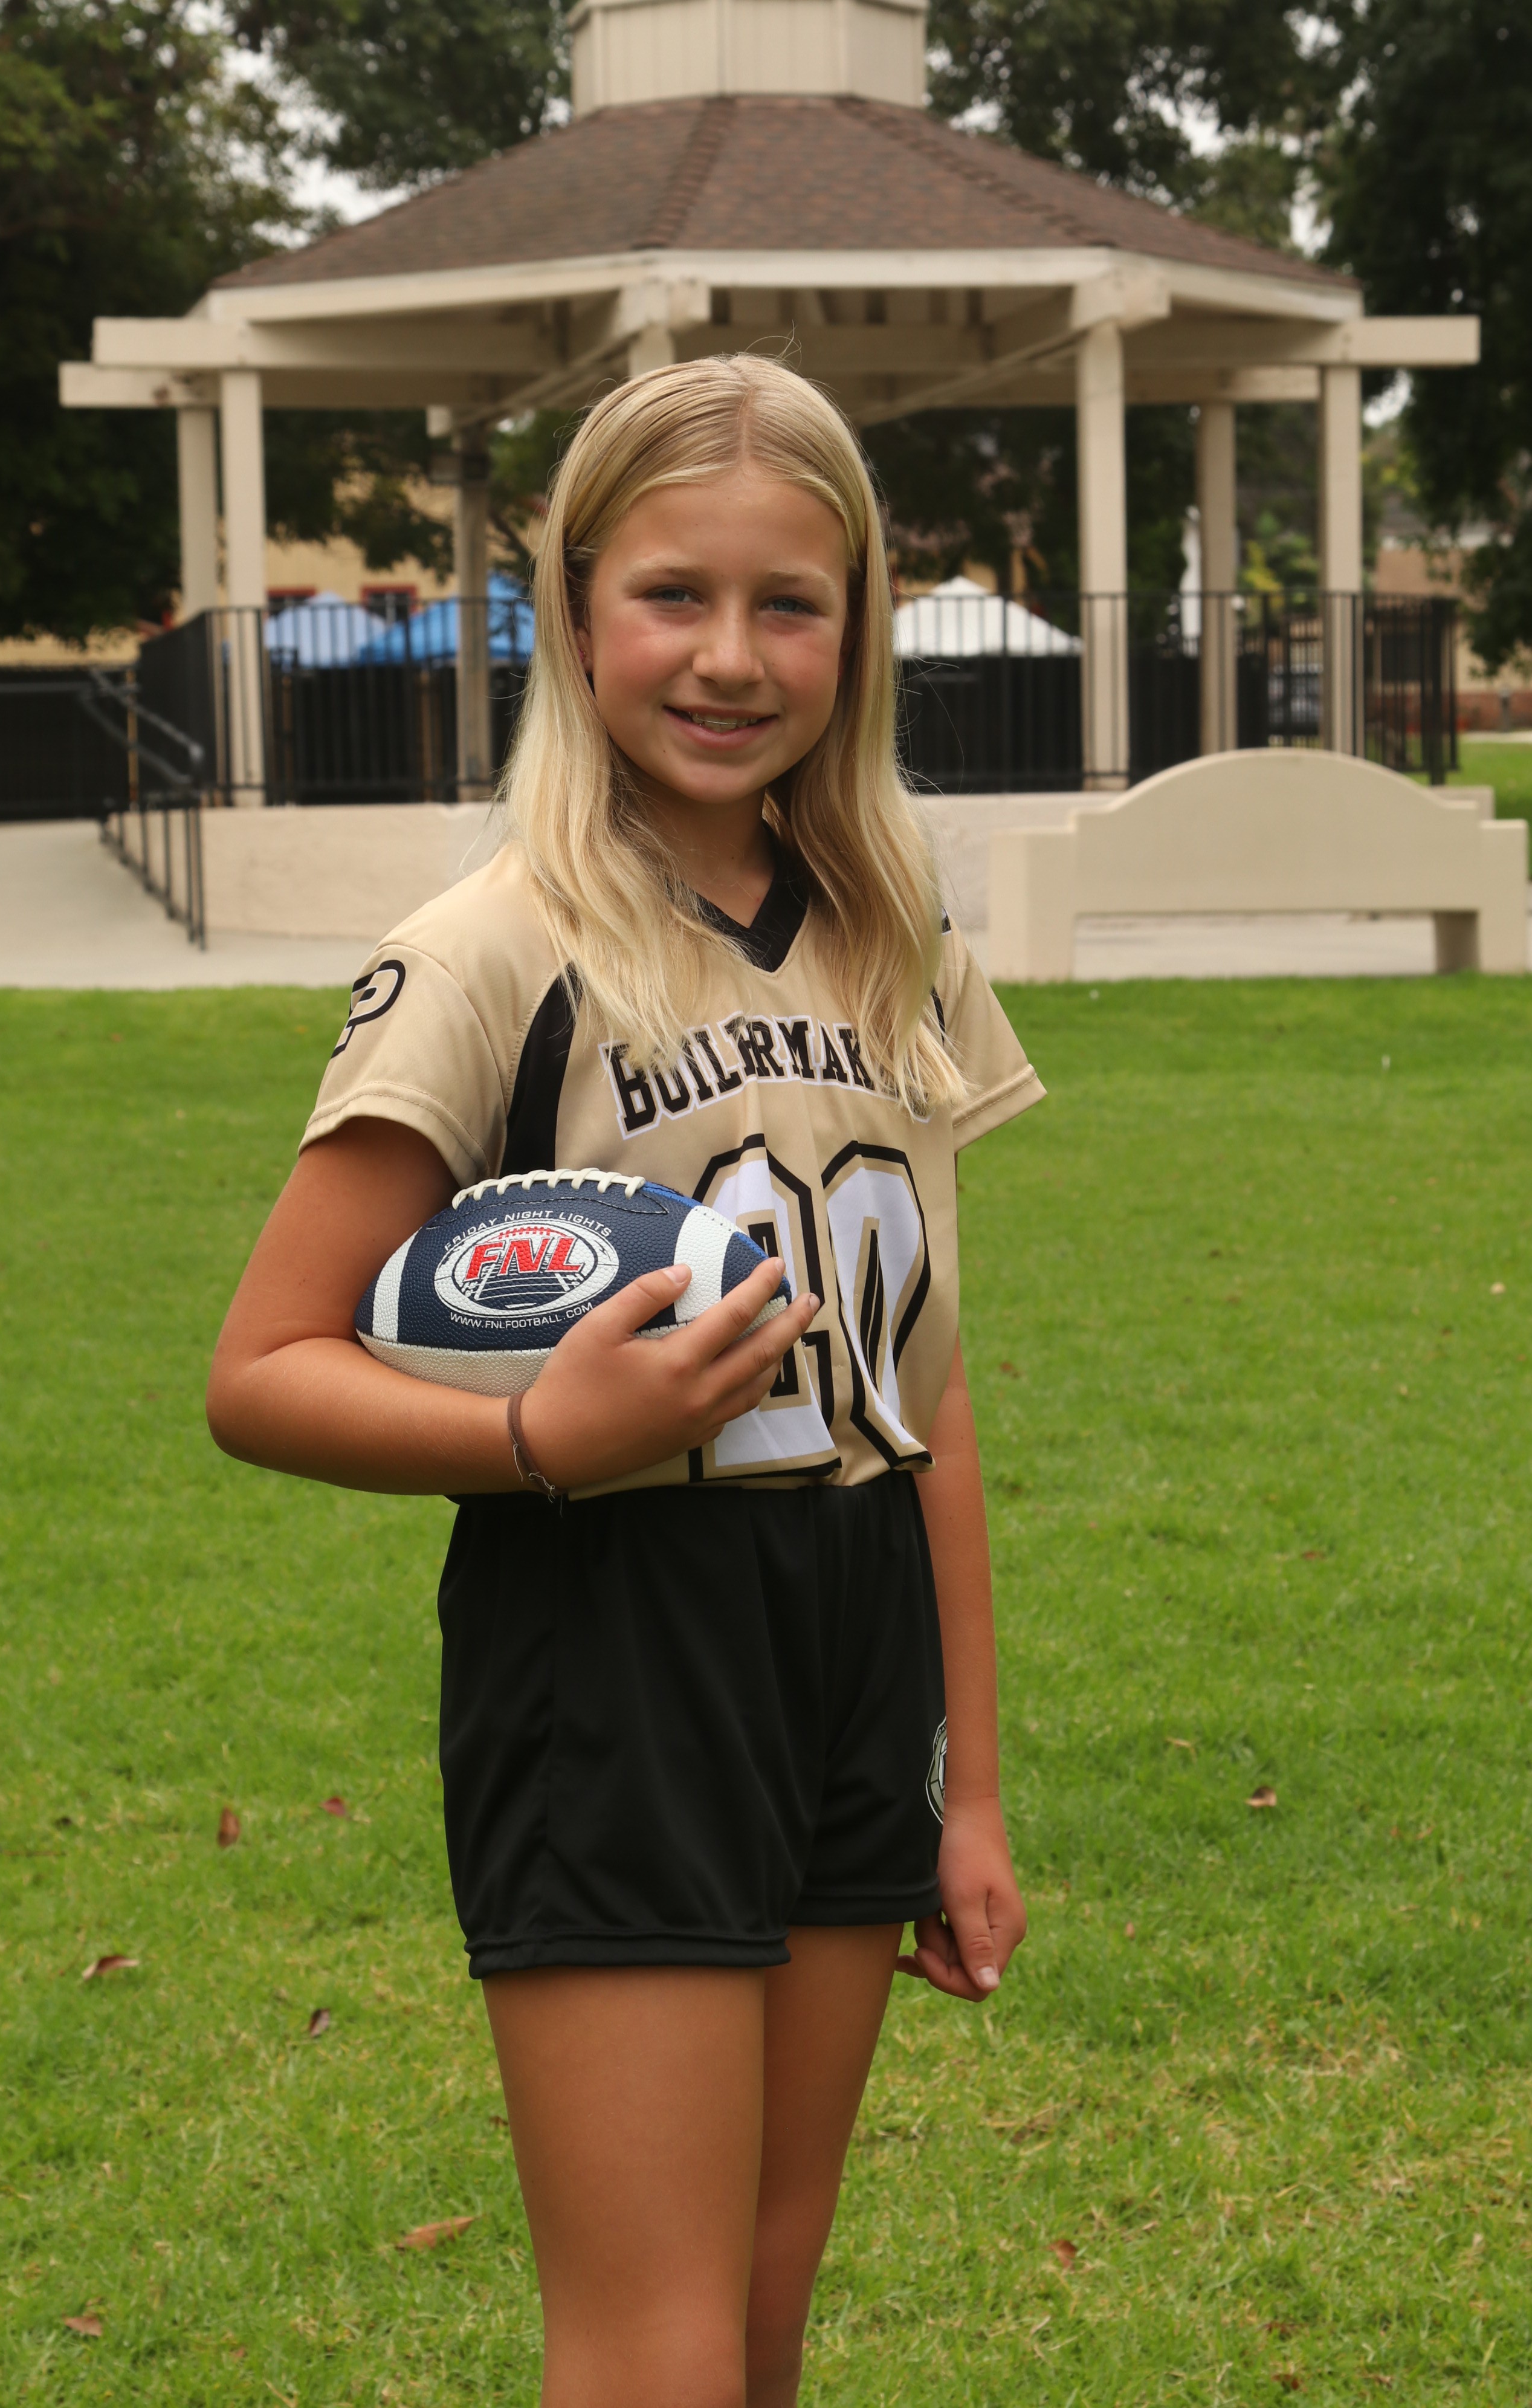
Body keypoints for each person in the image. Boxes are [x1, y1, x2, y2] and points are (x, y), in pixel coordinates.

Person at [207, 352, 1042, 2408]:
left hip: (850, 1639)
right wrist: (539, 1434)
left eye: (790, 604)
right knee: (653, 2338)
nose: (731, 657)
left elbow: (925, 1394)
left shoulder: (899, 938)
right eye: (674, 593)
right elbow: (262, 1371)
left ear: (860, 627)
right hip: (616, 1643)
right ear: (575, 609)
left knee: (758, 2316)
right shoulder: (494, 947)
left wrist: (972, 1788)